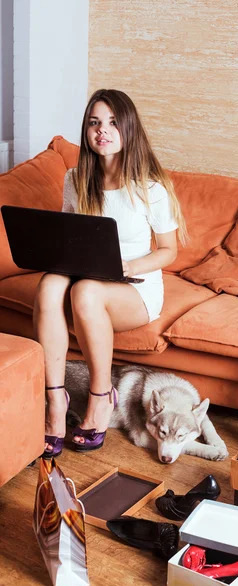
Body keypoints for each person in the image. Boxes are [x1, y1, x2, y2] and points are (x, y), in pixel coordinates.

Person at [34, 89, 187, 458]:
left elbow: (168, 250)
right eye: (94, 123)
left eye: (113, 123)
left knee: (86, 291)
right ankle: (55, 400)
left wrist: (129, 266)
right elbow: (70, 236)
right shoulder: (75, 178)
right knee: (48, 287)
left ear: (128, 129)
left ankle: (101, 398)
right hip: (86, 272)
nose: (103, 130)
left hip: (134, 285)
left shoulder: (151, 186)